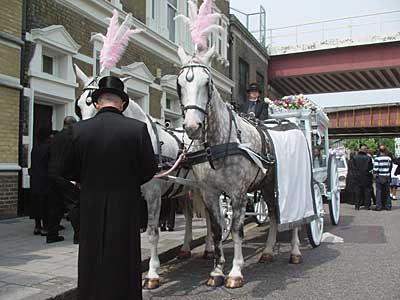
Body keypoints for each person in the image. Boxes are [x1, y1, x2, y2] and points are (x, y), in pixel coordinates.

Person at [62, 76, 157, 300]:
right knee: (124, 255)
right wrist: (130, 181)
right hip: (125, 204)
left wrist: (86, 180)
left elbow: (66, 170)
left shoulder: (79, 130)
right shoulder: (137, 129)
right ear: (122, 104)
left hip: (90, 202)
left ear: (97, 103)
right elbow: (149, 169)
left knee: (90, 254)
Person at [47, 116, 80, 244]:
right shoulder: (73, 137)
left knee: (55, 206)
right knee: (74, 204)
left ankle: (51, 234)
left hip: (52, 174)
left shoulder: (55, 137)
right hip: (65, 175)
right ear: (73, 125)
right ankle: (79, 236)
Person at [29, 127, 51, 235]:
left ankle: (37, 226)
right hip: (45, 179)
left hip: (35, 179)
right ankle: (46, 227)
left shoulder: (35, 148)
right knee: (45, 204)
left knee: (36, 203)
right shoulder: (48, 148)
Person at [352, 144, 373, 210]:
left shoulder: (355, 157)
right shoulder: (368, 158)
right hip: (366, 176)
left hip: (357, 177)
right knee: (367, 191)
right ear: (365, 150)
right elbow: (371, 167)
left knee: (357, 191)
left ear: (360, 149)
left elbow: (353, 167)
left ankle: (357, 206)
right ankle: (367, 206)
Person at [373, 144, 392, 211]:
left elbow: (376, 168)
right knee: (387, 192)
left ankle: (379, 206)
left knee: (379, 191)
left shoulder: (377, 159)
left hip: (380, 176)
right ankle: (388, 206)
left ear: (379, 150)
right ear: (385, 150)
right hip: (387, 176)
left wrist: (374, 175)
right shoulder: (388, 158)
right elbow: (390, 167)